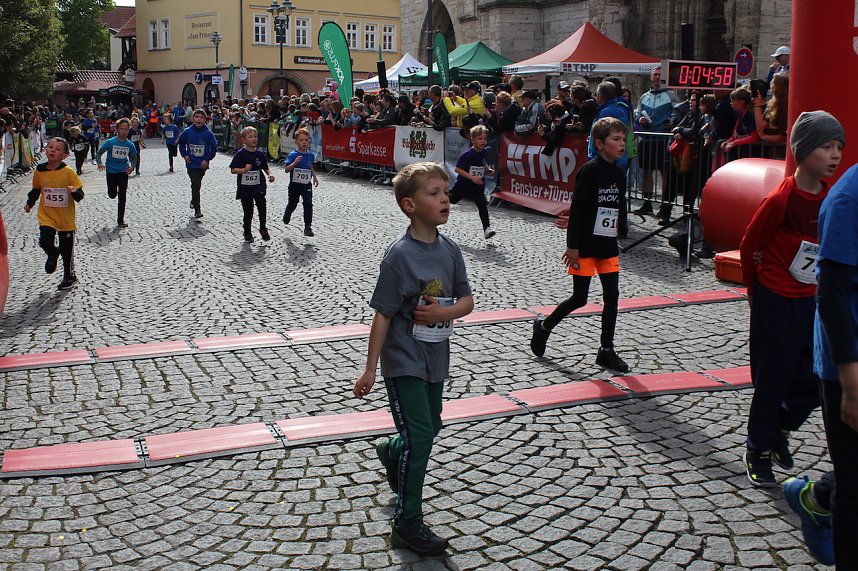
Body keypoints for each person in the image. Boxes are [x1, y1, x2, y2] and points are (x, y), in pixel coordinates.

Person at [352, 161, 474, 556]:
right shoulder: (399, 257)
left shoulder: (450, 249)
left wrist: (444, 313)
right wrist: (371, 367)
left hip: (435, 357)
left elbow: (467, 301)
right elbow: (383, 313)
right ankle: (407, 523)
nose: (445, 199)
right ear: (409, 205)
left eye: (445, 192)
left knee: (430, 427)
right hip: (403, 360)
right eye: (434, 193)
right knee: (420, 435)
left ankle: (391, 450)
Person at [739, 111, 845, 489]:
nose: (834, 155)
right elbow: (751, 242)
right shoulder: (781, 197)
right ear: (802, 152)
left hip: (811, 299)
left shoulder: (833, 197)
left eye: (839, 147)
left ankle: (781, 424)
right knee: (773, 377)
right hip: (776, 298)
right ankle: (759, 449)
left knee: (815, 377)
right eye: (825, 147)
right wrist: (755, 289)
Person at [793, 151, 858, 569]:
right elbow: (831, 294)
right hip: (847, 365)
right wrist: (851, 387)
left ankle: (818, 495)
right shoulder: (850, 196)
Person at [529, 117, 630, 373]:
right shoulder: (589, 171)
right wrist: (572, 245)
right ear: (599, 143)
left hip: (607, 244)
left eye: (623, 139)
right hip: (585, 245)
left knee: (612, 297)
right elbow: (579, 209)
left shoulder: (619, 172)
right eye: (615, 140)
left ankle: (606, 349)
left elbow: (618, 205)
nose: (621, 144)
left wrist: (621, 230)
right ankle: (544, 327)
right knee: (580, 298)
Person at [24, 137, 85, 290]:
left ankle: (69, 275)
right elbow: (36, 190)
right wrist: (29, 204)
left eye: (57, 149)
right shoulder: (40, 171)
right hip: (47, 216)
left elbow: (80, 194)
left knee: (67, 249)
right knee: (44, 240)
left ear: (65, 155)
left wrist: (74, 192)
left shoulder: (68, 172)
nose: (52, 150)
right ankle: (52, 253)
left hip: (65, 218)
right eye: (50, 147)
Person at [633, 66, 679, 215]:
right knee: (646, 171)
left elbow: (678, 113)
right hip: (646, 138)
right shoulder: (644, 96)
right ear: (651, 77)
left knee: (664, 172)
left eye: (660, 74)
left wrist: (670, 122)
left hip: (662, 140)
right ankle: (647, 203)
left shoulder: (671, 95)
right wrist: (639, 118)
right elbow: (637, 112)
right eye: (655, 74)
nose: (657, 77)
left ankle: (665, 206)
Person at [229, 126, 274, 243]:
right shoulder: (241, 154)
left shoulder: (259, 154)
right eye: (250, 137)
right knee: (248, 210)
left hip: (258, 184)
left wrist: (269, 175)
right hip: (245, 186)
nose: (253, 139)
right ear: (244, 140)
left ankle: (263, 227)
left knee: (261, 204)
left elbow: (265, 167)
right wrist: (244, 170)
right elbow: (233, 170)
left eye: (255, 137)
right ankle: (247, 230)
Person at [451, 125, 496, 239]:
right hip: (464, 184)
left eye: (485, 139)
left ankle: (487, 228)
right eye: (480, 139)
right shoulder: (468, 155)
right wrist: (472, 177)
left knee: (482, 205)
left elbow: (483, 162)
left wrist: (488, 169)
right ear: (472, 139)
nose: (483, 141)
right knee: (453, 200)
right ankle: (437, 197)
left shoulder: (484, 152)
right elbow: (458, 169)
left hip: (477, 185)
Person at [96, 117, 136, 228]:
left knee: (122, 195)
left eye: (126, 129)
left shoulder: (130, 145)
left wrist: (132, 167)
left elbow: (134, 158)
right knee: (112, 194)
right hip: (111, 171)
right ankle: (111, 192)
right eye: (122, 129)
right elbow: (99, 153)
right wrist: (99, 163)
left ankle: (120, 220)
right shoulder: (110, 142)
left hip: (123, 171)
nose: (124, 131)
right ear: (117, 129)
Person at [177, 109, 218, 219]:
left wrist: (207, 159)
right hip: (191, 163)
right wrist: (184, 154)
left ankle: (193, 199)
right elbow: (181, 143)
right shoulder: (187, 131)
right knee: (195, 183)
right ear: (193, 119)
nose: (199, 119)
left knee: (197, 184)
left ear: (205, 120)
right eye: (197, 117)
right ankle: (197, 209)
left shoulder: (208, 133)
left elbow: (214, 148)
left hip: (203, 164)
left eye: (201, 117)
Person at [282, 127, 319, 237]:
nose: (304, 142)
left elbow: (310, 166)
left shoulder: (310, 155)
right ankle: (287, 213)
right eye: (301, 140)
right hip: (294, 185)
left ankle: (308, 227)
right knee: (293, 203)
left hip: (306, 185)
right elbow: (286, 169)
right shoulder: (293, 155)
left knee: (308, 203)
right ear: (296, 142)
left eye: (306, 140)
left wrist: (314, 177)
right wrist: (294, 163)